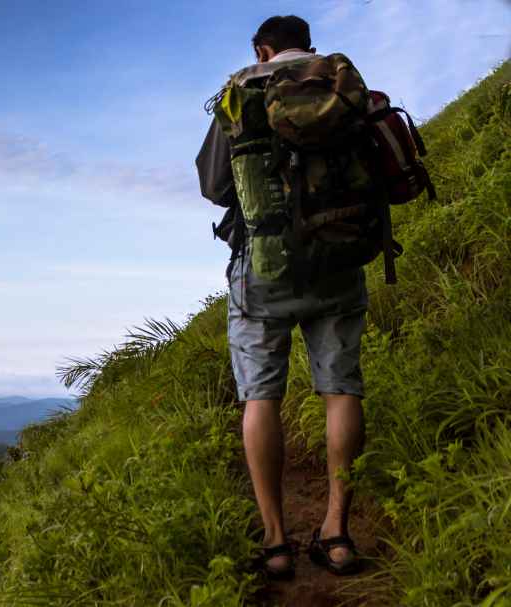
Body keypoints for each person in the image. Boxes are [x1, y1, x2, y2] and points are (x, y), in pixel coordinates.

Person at [195, 15, 366, 579]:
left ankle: (276, 542)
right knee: (340, 389)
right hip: (339, 256)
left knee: (260, 397)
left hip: (263, 269)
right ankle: (337, 532)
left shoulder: (241, 91)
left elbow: (214, 185)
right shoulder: (336, 83)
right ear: (306, 46)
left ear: (262, 49)